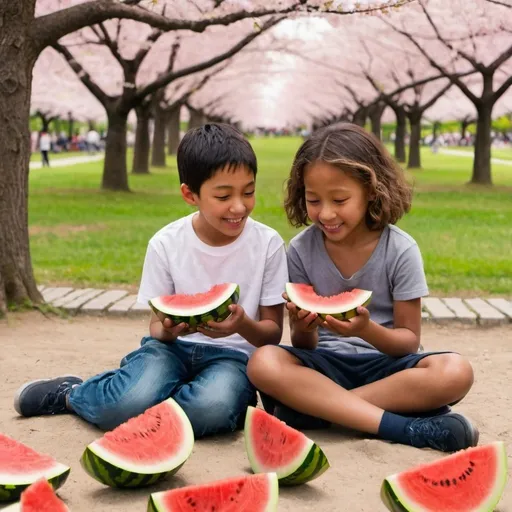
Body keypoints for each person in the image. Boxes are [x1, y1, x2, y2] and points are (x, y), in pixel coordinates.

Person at [14, 123, 289, 438]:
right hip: (170, 350)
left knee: (211, 408)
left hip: (235, 358)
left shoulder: (267, 244)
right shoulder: (166, 243)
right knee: (128, 402)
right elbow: (157, 328)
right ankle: (71, 392)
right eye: (224, 195)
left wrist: (242, 325)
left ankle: (145, 403)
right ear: (190, 194)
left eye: (249, 191)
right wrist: (170, 330)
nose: (239, 206)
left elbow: (271, 335)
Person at [247, 123, 478, 453]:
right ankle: (404, 427)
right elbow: (304, 344)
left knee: (456, 371)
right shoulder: (300, 250)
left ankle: (319, 412)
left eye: (340, 199)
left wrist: (366, 329)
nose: (326, 213)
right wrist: (302, 326)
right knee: (263, 361)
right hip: (325, 367)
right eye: (313, 200)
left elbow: (408, 342)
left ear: (372, 189)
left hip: (387, 370)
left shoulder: (400, 250)